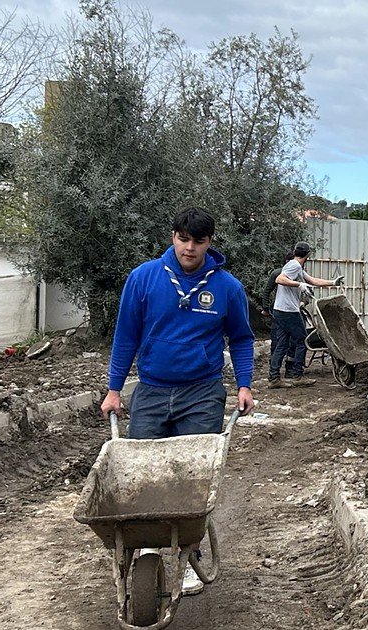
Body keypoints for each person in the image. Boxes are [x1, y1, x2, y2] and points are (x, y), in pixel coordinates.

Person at [99, 207, 255, 595]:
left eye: (198, 241)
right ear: (173, 237)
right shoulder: (144, 278)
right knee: (144, 472)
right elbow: (125, 336)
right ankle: (149, 545)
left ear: (209, 243)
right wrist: (114, 389)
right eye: (183, 239)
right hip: (151, 390)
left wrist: (245, 385)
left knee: (192, 478)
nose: (189, 248)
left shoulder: (227, 288)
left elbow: (241, 339)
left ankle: (189, 555)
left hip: (201, 393)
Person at [267, 241, 343, 387]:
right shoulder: (294, 265)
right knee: (302, 339)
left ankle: (274, 377)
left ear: (295, 251)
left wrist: (333, 282)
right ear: (308, 255)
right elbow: (279, 279)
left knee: (282, 343)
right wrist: (299, 285)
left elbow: (312, 280)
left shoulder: (296, 266)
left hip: (280, 310)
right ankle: (297, 375)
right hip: (288, 310)